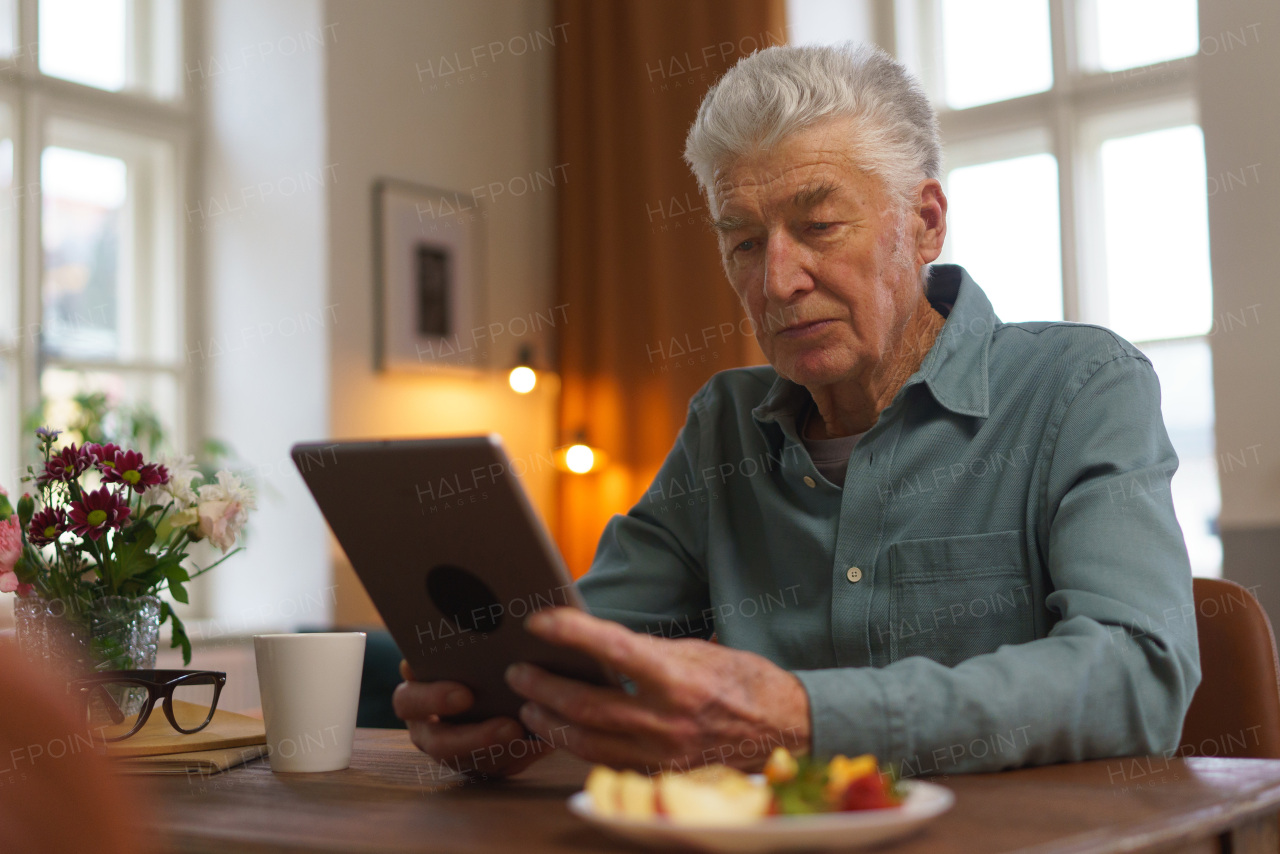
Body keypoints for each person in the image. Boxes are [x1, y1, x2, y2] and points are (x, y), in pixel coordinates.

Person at [393, 43, 1200, 779]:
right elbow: (592, 640)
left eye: (818, 226)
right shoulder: (725, 426)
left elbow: (1138, 675)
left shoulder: (1083, 386)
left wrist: (806, 720)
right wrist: (510, 702)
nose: (777, 281)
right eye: (743, 242)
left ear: (925, 224)